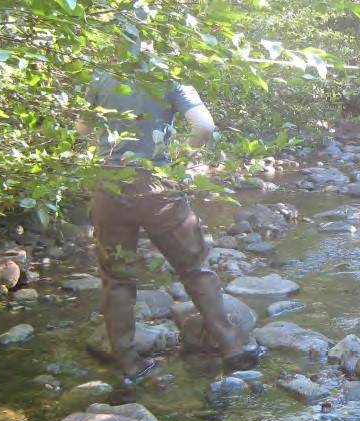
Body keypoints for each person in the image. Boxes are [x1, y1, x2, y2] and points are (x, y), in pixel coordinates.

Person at [80, 73, 260, 381]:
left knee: (117, 279)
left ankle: (127, 362)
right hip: (155, 188)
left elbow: (82, 130)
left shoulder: (98, 79)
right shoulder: (170, 77)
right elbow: (204, 127)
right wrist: (177, 161)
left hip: (108, 188)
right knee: (195, 268)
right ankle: (232, 346)